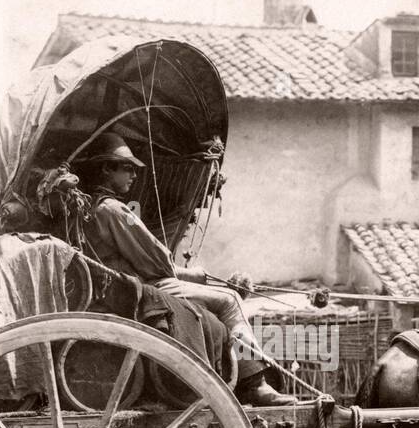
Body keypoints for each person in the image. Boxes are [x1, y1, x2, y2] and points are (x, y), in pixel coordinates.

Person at [77, 132, 297, 407]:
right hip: (136, 288)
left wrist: (192, 275)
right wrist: (195, 275)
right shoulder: (113, 211)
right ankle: (255, 383)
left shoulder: (90, 208)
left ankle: (245, 376)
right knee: (230, 300)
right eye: (127, 168)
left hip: (119, 286)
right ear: (106, 169)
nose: (133, 175)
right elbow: (157, 262)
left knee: (221, 299)